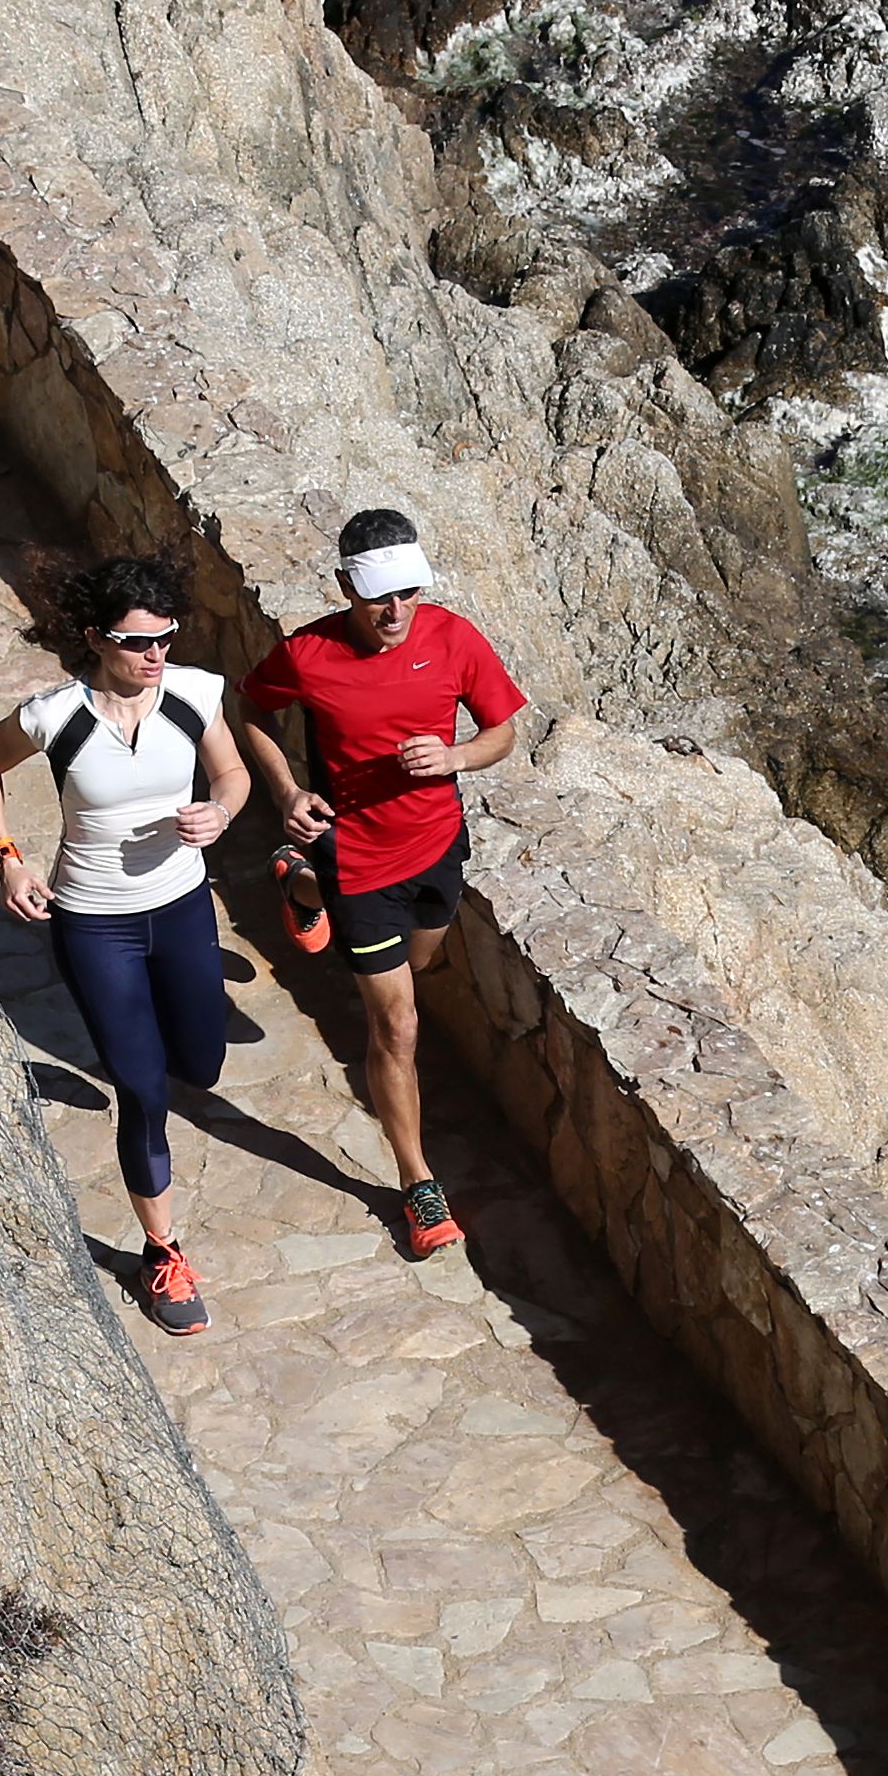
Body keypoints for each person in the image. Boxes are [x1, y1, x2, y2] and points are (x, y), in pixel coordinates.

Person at [0, 553, 251, 1336]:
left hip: (184, 910)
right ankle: (163, 1252)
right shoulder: (52, 717)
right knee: (144, 1091)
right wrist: (8, 857)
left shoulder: (194, 694)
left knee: (200, 1063)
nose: (156, 654)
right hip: (95, 923)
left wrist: (220, 813)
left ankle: (136, 1048)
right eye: (138, 642)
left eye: (166, 636)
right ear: (96, 639)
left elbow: (232, 775)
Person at [239, 508, 523, 1258]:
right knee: (396, 1025)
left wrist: (457, 758)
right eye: (376, 597)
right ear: (344, 587)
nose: (395, 611)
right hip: (359, 865)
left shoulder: (452, 637)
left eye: (407, 593)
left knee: (423, 965)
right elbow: (255, 708)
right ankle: (418, 1183)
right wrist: (286, 790)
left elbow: (503, 730)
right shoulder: (308, 654)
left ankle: (299, 887)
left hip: (436, 852)